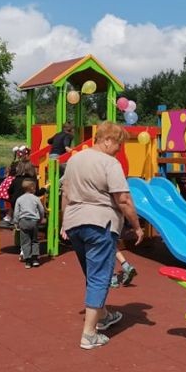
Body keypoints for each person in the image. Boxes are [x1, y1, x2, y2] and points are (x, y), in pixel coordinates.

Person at [61, 121, 144, 350]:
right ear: (107, 140)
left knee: (92, 273)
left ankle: (104, 315)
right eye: (118, 144)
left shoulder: (75, 159)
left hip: (75, 222)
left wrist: (64, 221)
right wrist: (136, 226)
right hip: (99, 222)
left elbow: (65, 193)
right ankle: (89, 334)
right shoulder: (109, 163)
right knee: (99, 277)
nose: (119, 149)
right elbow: (123, 199)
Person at [13, 179, 46, 268]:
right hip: (33, 221)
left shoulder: (19, 199)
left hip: (23, 221)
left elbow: (16, 212)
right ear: (32, 188)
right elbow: (41, 209)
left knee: (25, 241)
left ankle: (28, 261)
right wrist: (41, 218)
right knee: (34, 240)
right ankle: (35, 259)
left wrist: (16, 222)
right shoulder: (36, 198)